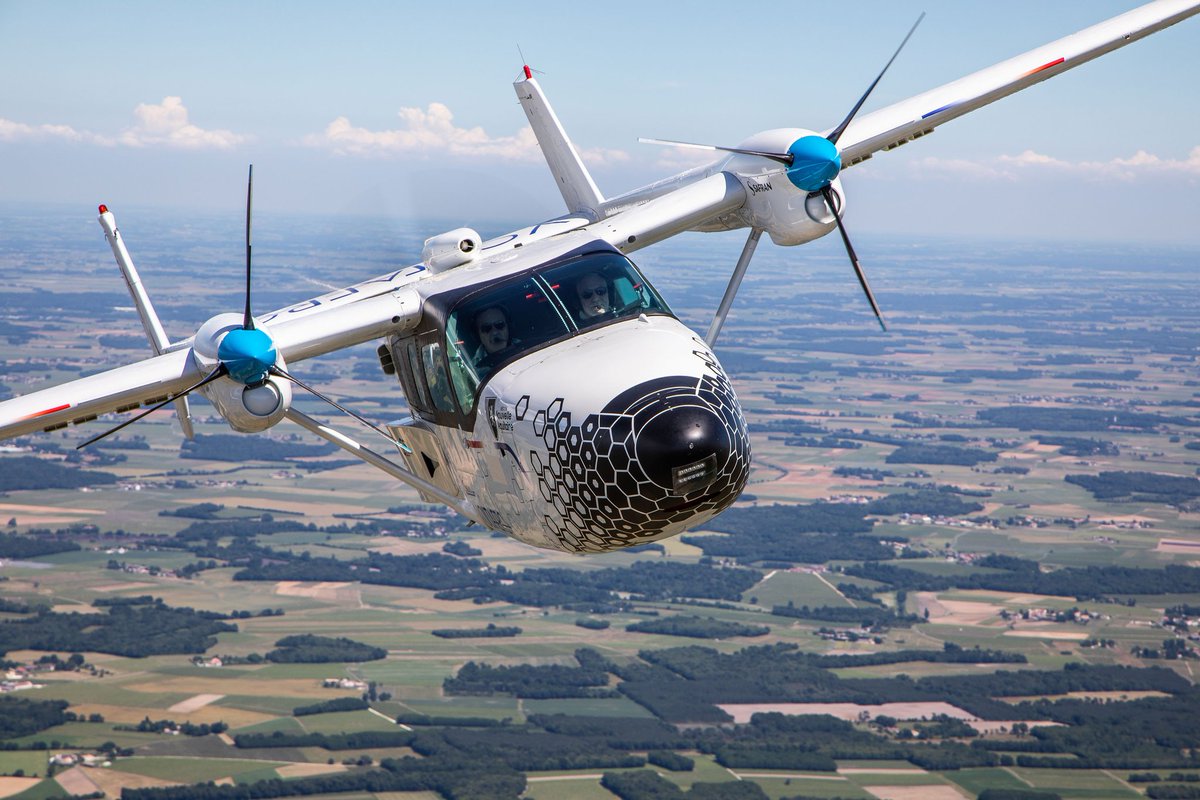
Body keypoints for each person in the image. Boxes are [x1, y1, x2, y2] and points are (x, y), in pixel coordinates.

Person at [473, 305, 514, 374]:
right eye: (487, 328)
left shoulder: (529, 350)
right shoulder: (472, 370)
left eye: (499, 325)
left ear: (508, 327)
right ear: (478, 335)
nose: (495, 332)